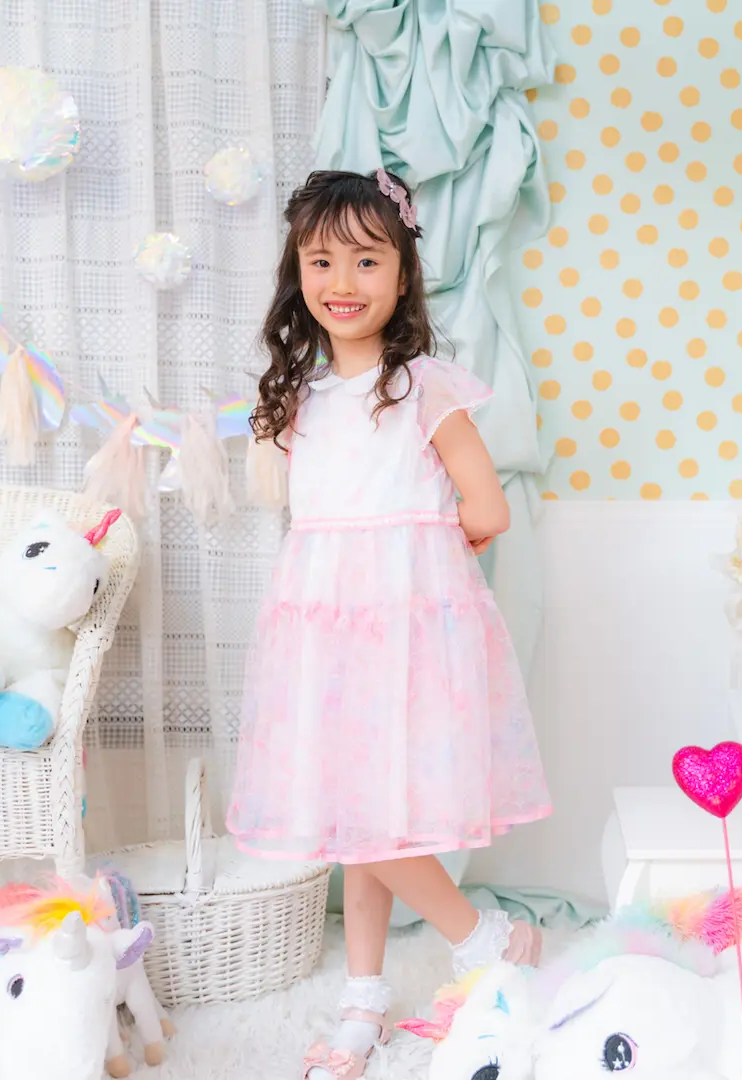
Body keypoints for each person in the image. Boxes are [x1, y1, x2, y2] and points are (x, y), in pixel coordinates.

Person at [226, 168, 552, 1079]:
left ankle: (486, 940)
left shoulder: (422, 387)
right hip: (323, 633)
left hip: (404, 627)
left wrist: (419, 559)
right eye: (322, 260)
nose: (343, 281)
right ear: (297, 274)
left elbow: (488, 507)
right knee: (351, 819)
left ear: (403, 274)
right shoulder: (300, 399)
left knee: (369, 817)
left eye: (367, 260)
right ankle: (365, 996)